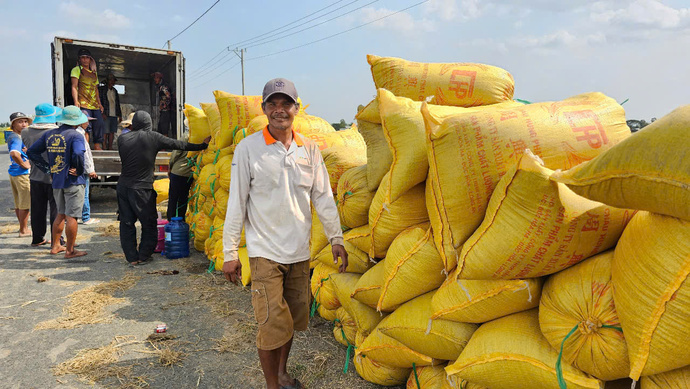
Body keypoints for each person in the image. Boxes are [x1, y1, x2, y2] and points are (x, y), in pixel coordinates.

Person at [222, 78, 348, 389]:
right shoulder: (249, 148)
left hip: (299, 252)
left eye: (286, 104)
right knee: (270, 324)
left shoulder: (309, 149)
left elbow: (323, 198)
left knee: (290, 321)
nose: (280, 110)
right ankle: (272, 386)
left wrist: (336, 238)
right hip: (265, 252)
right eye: (273, 104)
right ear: (264, 109)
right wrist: (229, 253)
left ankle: (282, 374)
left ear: (296, 108)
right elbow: (236, 201)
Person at [117, 111, 209, 267]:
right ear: (148, 123)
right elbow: (179, 145)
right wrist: (202, 146)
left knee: (126, 223)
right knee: (149, 222)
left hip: (123, 186)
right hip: (142, 188)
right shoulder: (153, 137)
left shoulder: (122, 138)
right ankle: (144, 255)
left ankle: (132, 257)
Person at [26, 106, 88, 259]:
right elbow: (79, 153)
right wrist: (78, 169)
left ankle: (55, 246)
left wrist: (48, 169)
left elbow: (31, 152)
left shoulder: (49, 134)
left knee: (60, 214)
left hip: (56, 180)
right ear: (77, 121)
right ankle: (70, 251)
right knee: (72, 216)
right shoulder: (76, 135)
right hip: (73, 181)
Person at [21, 104, 62, 246]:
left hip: (35, 176)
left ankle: (37, 238)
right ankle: (57, 239)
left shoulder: (25, 132)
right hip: (54, 176)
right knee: (56, 209)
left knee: (38, 209)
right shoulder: (57, 131)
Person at [71, 48, 105, 150]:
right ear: (79, 59)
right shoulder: (76, 70)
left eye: (87, 58)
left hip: (94, 104)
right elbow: (74, 86)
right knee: (85, 124)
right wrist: (76, 101)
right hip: (83, 103)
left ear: (90, 59)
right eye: (83, 58)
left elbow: (96, 89)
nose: (85, 60)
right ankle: (85, 146)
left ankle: (97, 145)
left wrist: (100, 103)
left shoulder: (94, 73)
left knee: (99, 123)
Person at [6, 112, 32, 237]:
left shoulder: (14, 136)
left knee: (19, 203)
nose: (24, 124)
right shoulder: (16, 137)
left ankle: (22, 226)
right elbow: (14, 153)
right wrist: (24, 164)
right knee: (25, 204)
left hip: (14, 173)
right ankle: (24, 230)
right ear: (13, 124)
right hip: (22, 174)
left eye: (25, 121)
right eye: (20, 122)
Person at [77, 112, 99, 225]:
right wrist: (90, 169)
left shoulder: (80, 133)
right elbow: (84, 155)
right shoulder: (79, 134)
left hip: (78, 169)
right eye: (86, 120)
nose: (88, 123)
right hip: (82, 170)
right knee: (84, 193)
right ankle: (86, 217)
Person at [166, 132, 194, 220]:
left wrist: (170, 166)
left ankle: (171, 223)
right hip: (189, 174)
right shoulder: (201, 136)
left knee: (173, 199)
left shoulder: (187, 136)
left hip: (178, 172)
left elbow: (176, 153)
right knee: (183, 200)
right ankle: (181, 222)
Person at [99, 73, 122, 150]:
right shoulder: (102, 90)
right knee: (105, 131)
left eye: (113, 81)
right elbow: (100, 102)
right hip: (106, 114)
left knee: (112, 131)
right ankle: (104, 146)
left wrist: (120, 115)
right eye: (111, 80)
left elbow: (117, 103)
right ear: (107, 81)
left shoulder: (115, 91)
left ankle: (110, 147)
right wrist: (102, 113)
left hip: (114, 114)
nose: (112, 82)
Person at [152, 72, 172, 137]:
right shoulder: (159, 87)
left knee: (164, 130)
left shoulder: (163, 87)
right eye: (154, 78)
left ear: (160, 79)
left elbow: (168, 97)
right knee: (160, 129)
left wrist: (163, 105)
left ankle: (165, 145)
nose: (155, 79)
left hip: (165, 112)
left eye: (157, 78)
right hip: (163, 112)